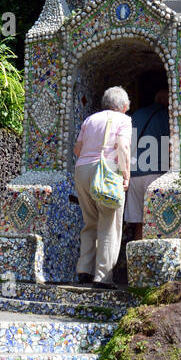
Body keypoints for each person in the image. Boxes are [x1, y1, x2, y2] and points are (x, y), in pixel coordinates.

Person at [72, 87, 132, 288]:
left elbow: (77, 149)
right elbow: (122, 147)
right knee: (109, 224)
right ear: (124, 107)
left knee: (90, 222)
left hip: (82, 171)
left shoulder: (89, 120)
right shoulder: (123, 120)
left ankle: (84, 271)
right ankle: (102, 277)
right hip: (106, 172)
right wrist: (126, 175)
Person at [124, 87, 170, 240]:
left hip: (134, 174)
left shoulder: (136, 115)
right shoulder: (166, 116)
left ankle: (137, 260)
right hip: (156, 172)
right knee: (156, 221)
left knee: (139, 222)